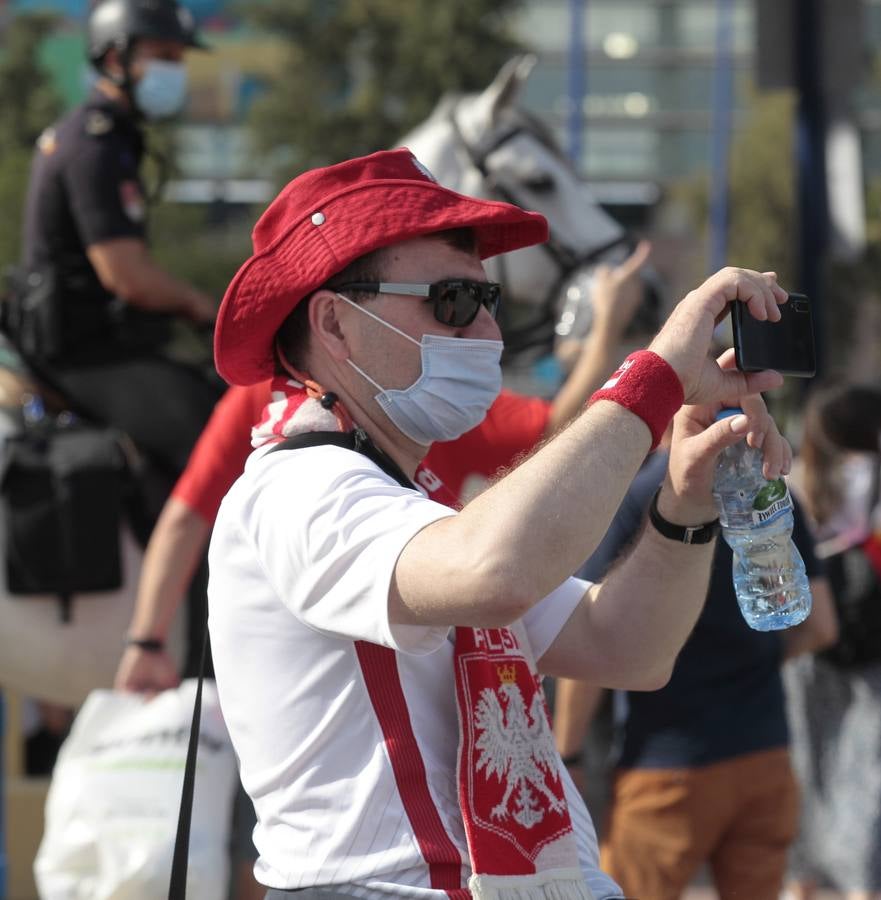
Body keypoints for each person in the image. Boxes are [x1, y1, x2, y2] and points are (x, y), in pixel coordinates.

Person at [206, 147, 790, 900]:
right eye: (451, 301)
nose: (486, 333)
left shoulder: (404, 505)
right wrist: (652, 380)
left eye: (491, 304)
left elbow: (628, 647)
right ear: (334, 324)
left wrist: (685, 503)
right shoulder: (298, 488)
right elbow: (496, 571)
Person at [553, 429, 836, 900]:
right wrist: (756, 663)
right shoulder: (770, 488)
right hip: (765, 753)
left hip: (666, 762)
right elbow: (821, 626)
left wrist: (569, 754)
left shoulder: (641, 492)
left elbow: (589, 633)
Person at [11, 0, 223, 518]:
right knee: (212, 437)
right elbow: (127, 276)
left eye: (179, 58)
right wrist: (203, 306)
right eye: (163, 55)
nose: (175, 69)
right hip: (81, 352)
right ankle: (198, 598)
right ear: (113, 59)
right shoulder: (96, 144)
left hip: (91, 343)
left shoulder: (109, 136)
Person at [785, 383, 881, 900]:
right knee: (867, 770)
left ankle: (802, 881)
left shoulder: (799, 478)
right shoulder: (875, 478)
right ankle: (865, 883)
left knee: (809, 762)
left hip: (809, 644)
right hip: (872, 655)